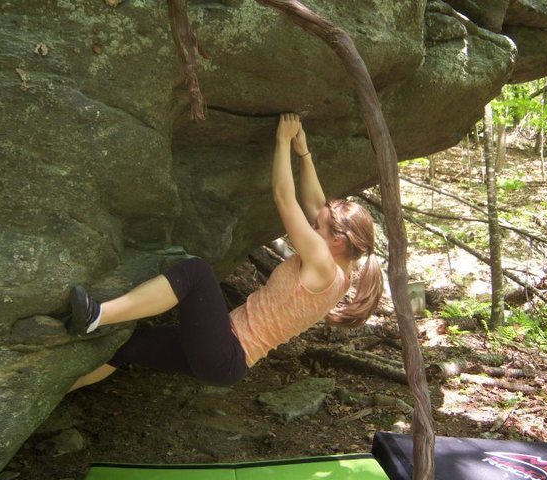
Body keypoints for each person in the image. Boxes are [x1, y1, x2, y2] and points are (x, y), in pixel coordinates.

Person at [67, 113, 383, 391]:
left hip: (227, 351)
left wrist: (283, 141)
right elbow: (317, 206)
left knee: (196, 274)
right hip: (226, 362)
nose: (315, 225)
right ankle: (64, 390)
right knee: (133, 346)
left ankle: (97, 317)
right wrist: (305, 152)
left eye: (320, 227)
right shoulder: (343, 269)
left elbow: (284, 198)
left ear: (338, 240)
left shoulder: (322, 262)